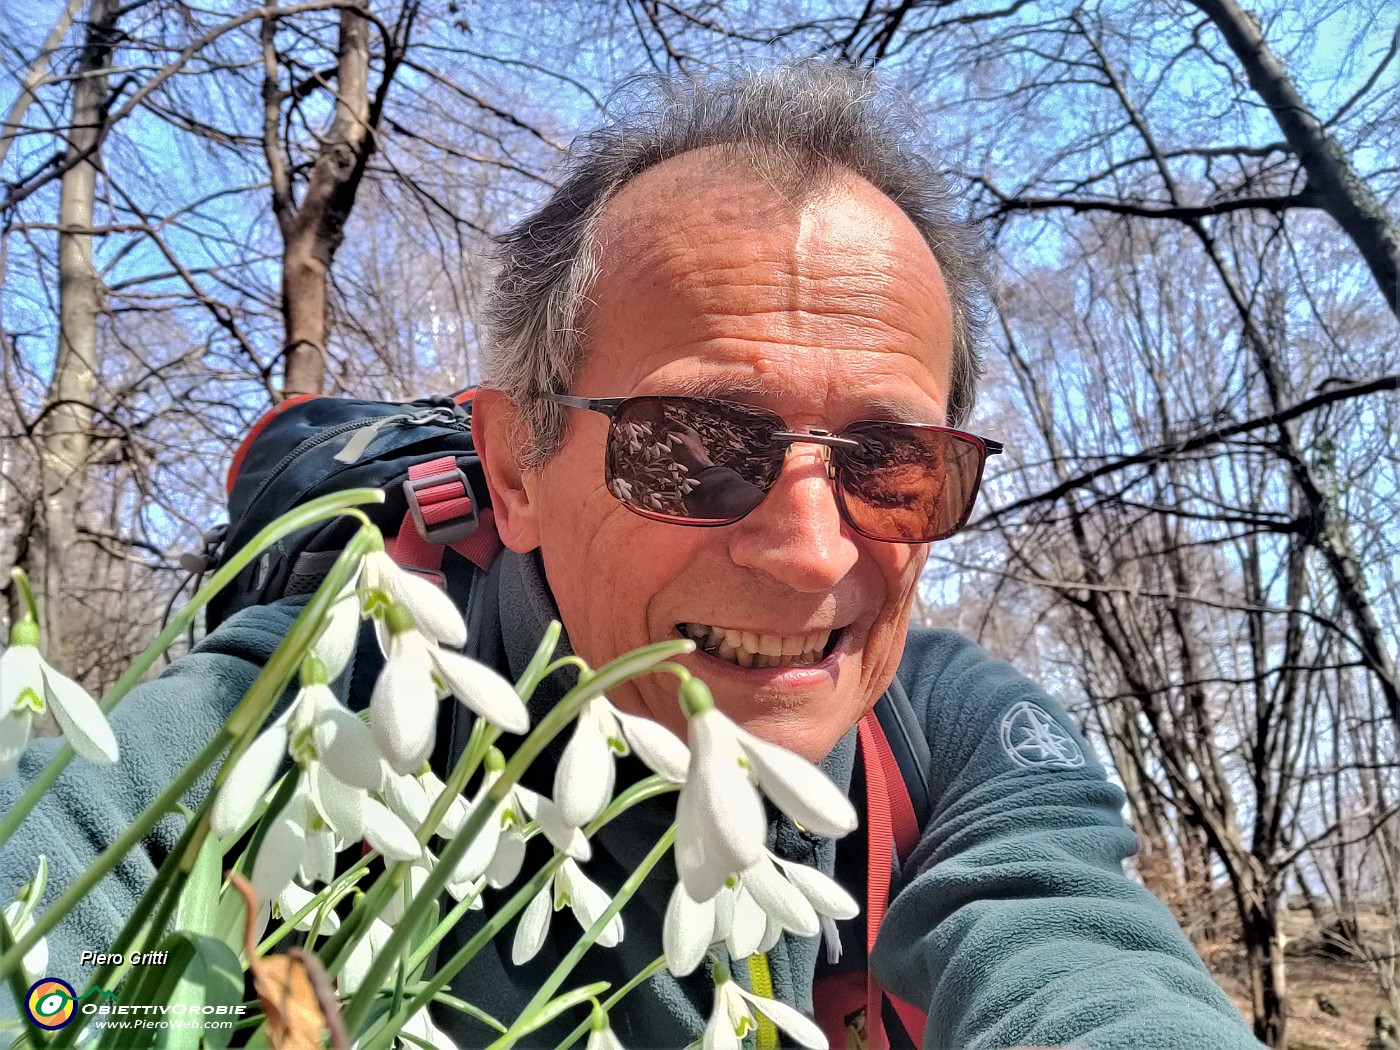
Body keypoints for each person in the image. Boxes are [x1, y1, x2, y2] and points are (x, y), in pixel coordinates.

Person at [0, 62, 1265, 1049]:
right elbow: (51, 895)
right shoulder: (316, 700)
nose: (807, 554)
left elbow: (1074, 959)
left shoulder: (950, 743)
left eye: (892, 461)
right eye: (691, 444)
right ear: (514, 469)